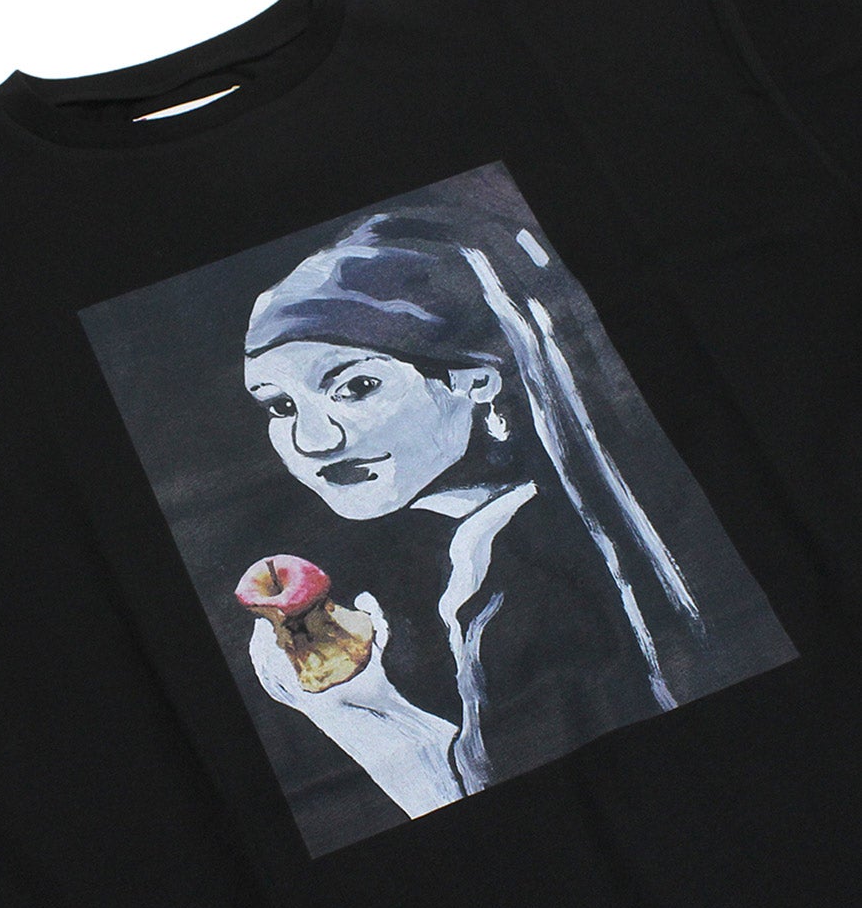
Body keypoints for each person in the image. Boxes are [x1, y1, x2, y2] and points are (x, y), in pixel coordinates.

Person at [237, 204, 739, 818]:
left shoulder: (523, 577)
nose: (313, 441)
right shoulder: (522, 541)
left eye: (357, 386)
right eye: (280, 406)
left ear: (476, 380)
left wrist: (352, 709)